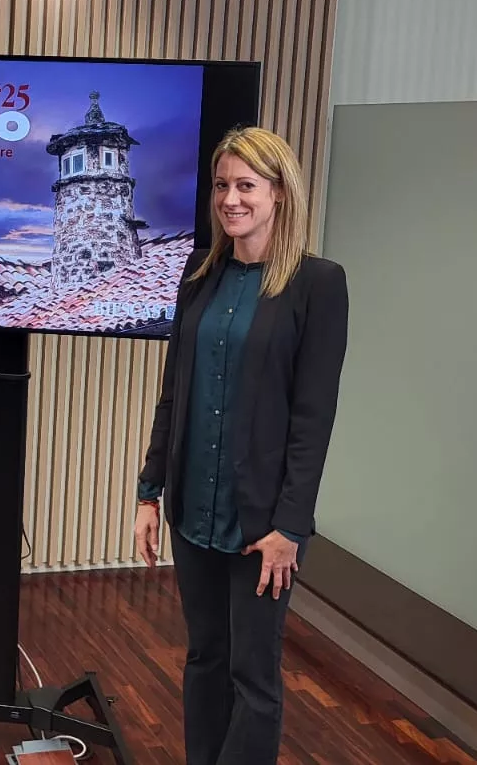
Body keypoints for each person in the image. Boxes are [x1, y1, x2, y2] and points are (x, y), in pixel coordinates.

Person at [132, 126, 349, 765]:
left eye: (246, 186)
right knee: (204, 657)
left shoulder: (318, 285)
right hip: (193, 506)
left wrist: (291, 525)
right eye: (223, 185)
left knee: (253, 674)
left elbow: (314, 419)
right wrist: (150, 492)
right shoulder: (198, 280)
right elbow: (173, 395)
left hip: (264, 522)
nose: (231, 199)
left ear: (279, 193)